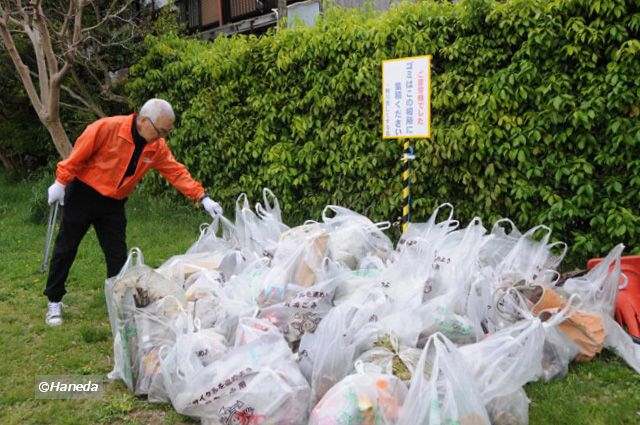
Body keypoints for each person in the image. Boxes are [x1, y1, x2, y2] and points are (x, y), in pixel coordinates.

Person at [43, 98, 222, 326]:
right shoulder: (106, 128)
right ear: (144, 121)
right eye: (160, 131)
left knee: (117, 255)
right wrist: (60, 182)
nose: (162, 137)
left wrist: (202, 197)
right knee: (66, 248)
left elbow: (175, 172)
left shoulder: (156, 147)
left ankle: (119, 303)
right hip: (84, 194)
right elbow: (76, 157)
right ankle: (54, 300)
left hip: (114, 203)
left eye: (166, 132)